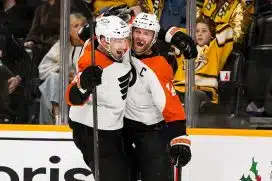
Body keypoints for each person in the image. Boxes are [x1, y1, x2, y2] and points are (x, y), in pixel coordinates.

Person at [123, 12, 195, 181]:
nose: (140, 37)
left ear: (154, 38)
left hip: (151, 134)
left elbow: (170, 104)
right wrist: (171, 34)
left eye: (146, 33)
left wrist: (180, 137)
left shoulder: (159, 66)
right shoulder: (121, 49)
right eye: (137, 31)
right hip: (122, 131)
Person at [65, 16, 133, 181]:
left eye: (125, 39)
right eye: (117, 40)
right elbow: (72, 97)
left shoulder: (105, 43)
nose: (123, 46)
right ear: (102, 40)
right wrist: (84, 84)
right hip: (91, 129)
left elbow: (85, 33)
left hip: (114, 127)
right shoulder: (91, 61)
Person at [38, 13, 87, 124]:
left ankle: (57, 120)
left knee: (46, 92)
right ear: (68, 30)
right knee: (53, 79)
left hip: (82, 88)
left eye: (83, 25)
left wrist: (75, 78)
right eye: (76, 26)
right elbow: (43, 70)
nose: (80, 28)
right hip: (62, 86)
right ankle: (58, 115)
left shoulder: (91, 47)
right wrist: (63, 72)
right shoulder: (60, 46)